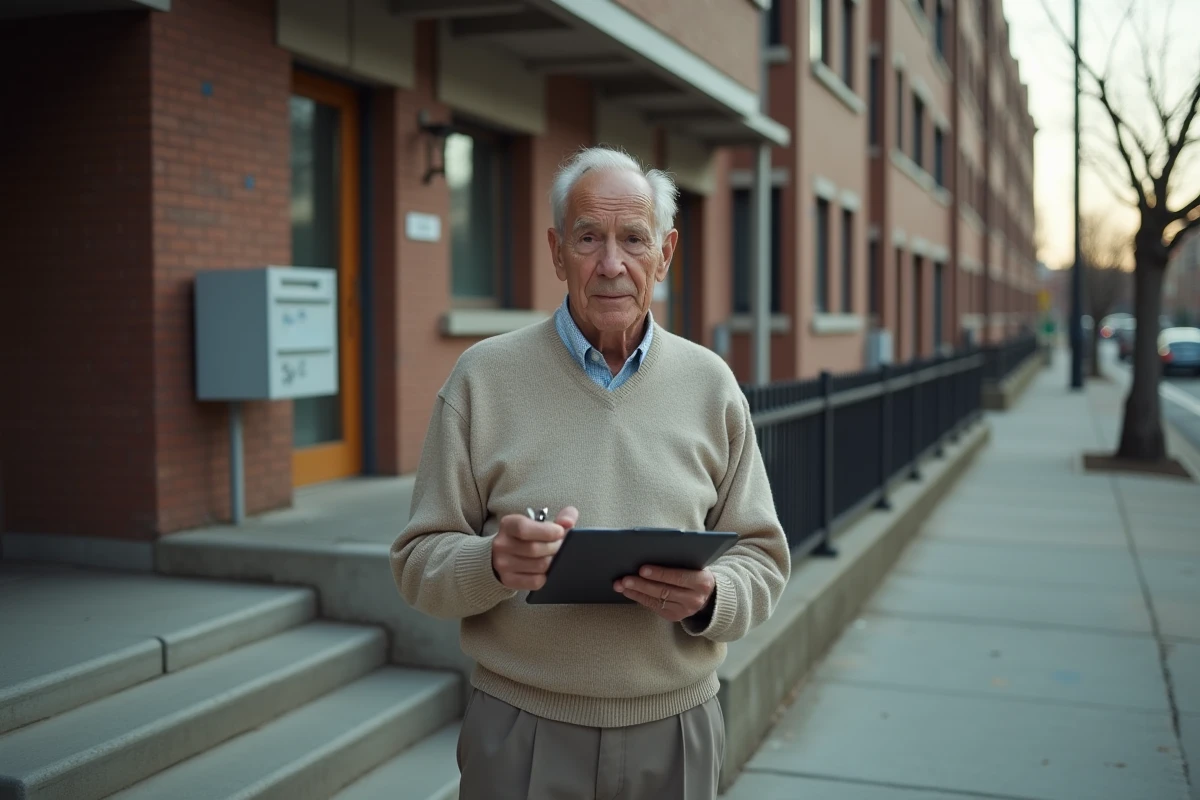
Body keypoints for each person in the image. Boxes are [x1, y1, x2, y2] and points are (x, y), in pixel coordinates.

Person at [390, 146, 791, 800]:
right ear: (555, 252)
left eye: (634, 239)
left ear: (665, 254)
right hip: (521, 732)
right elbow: (416, 562)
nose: (612, 264)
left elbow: (764, 558)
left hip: (676, 731)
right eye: (588, 239)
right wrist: (493, 563)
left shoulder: (711, 385)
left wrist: (711, 596)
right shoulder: (482, 380)